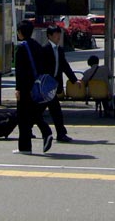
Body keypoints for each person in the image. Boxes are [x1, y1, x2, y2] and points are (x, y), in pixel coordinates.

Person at [14, 19, 48, 154]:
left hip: (25, 87)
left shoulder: (22, 47)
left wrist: (18, 89)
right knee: (32, 114)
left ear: (20, 32)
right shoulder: (37, 45)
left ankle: (25, 147)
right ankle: (45, 132)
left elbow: (19, 71)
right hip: (37, 86)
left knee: (23, 117)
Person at [41, 24, 79, 146]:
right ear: (49, 36)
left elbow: (64, 66)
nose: (58, 36)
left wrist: (74, 80)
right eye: (56, 34)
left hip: (54, 85)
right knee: (54, 110)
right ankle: (60, 133)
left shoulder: (59, 49)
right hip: (46, 86)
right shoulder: (45, 49)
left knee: (44, 110)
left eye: (59, 34)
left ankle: (60, 133)